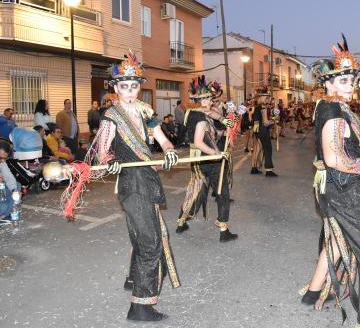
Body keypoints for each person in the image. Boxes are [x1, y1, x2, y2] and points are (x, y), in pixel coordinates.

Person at [301, 36, 360, 327]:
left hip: (337, 187)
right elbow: (334, 158)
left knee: (337, 240)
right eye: (344, 82)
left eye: (352, 81)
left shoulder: (332, 105)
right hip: (345, 188)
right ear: (327, 84)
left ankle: (313, 293)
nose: (350, 87)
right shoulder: (333, 112)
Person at [94, 52, 179, 321]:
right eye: (124, 86)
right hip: (132, 182)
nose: (130, 91)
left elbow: (161, 138)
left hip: (148, 177)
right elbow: (101, 152)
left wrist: (168, 150)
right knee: (150, 241)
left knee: (143, 232)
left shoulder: (146, 111)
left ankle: (133, 278)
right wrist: (111, 161)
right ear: (115, 88)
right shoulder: (111, 116)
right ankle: (140, 305)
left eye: (134, 86)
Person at [176, 77, 236, 242]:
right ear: (199, 100)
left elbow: (213, 117)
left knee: (197, 191)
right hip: (208, 159)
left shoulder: (193, 113)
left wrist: (225, 122)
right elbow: (199, 142)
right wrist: (216, 154)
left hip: (199, 161)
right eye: (208, 98)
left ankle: (181, 221)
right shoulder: (201, 119)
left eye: (210, 98)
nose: (210, 100)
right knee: (222, 191)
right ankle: (224, 229)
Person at [250, 86, 277, 177]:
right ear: (261, 97)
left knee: (256, 150)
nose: (268, 99)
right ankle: (269, 170)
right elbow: (265, 123)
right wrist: (274, 120)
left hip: (256, 130)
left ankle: (253, 168)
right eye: (267, 97)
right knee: (268, 149)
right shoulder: (263, 107)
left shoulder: (256, 106)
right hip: (262, 131)